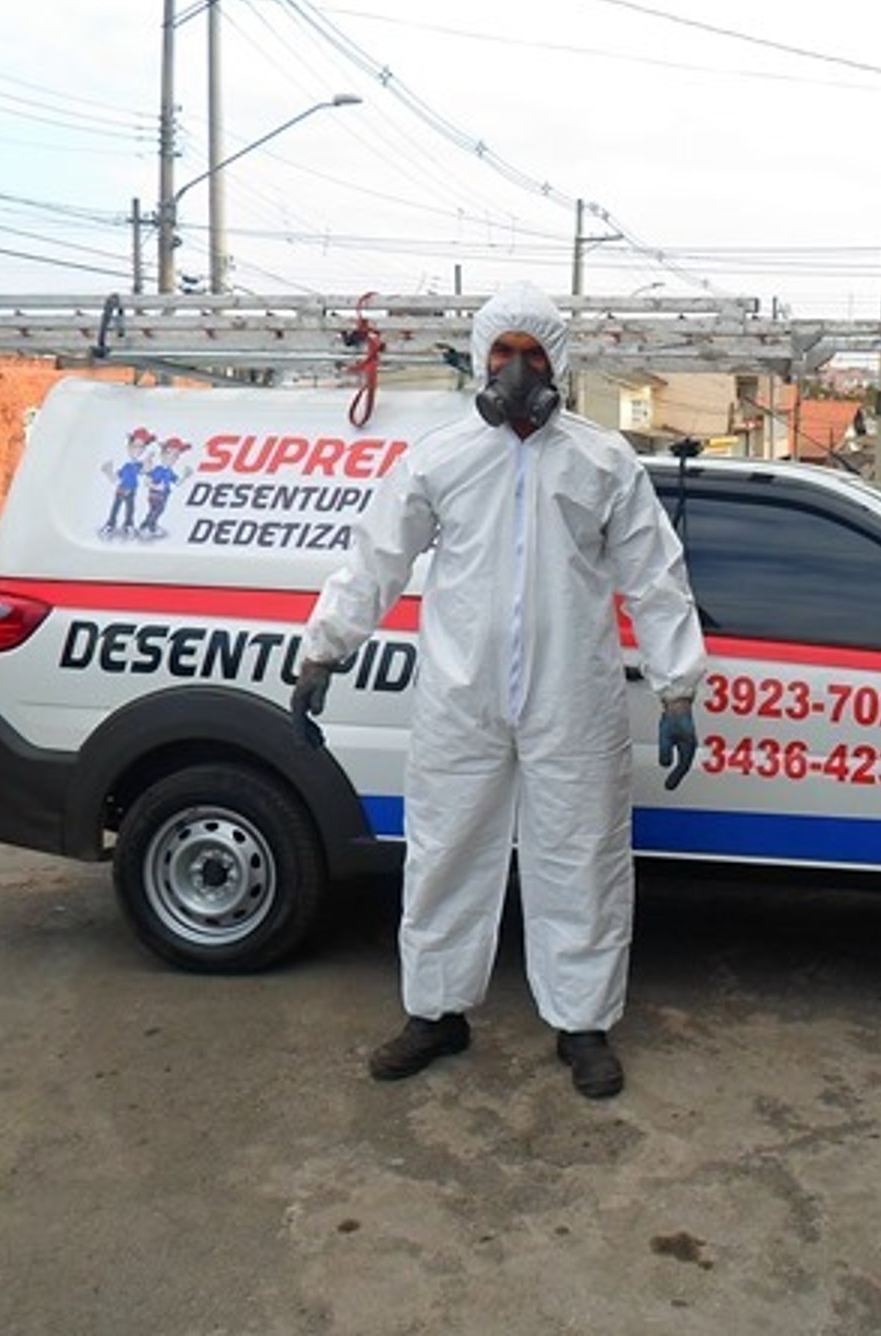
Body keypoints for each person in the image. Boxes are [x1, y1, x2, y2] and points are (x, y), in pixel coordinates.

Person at [291, 283, 704, 1099]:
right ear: (482, 359)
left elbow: (655, 577)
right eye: (503, 353)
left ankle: (582, 1024)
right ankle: (436, 1013)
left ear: (561, 362)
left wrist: (678, 688)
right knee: (446, 852)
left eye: (534, 353)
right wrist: (323, 651)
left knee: (580, 858)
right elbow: (377, 559)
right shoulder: (442, 459)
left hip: (572, 700)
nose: (517, 370)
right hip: (461, 696)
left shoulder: (602, 461)